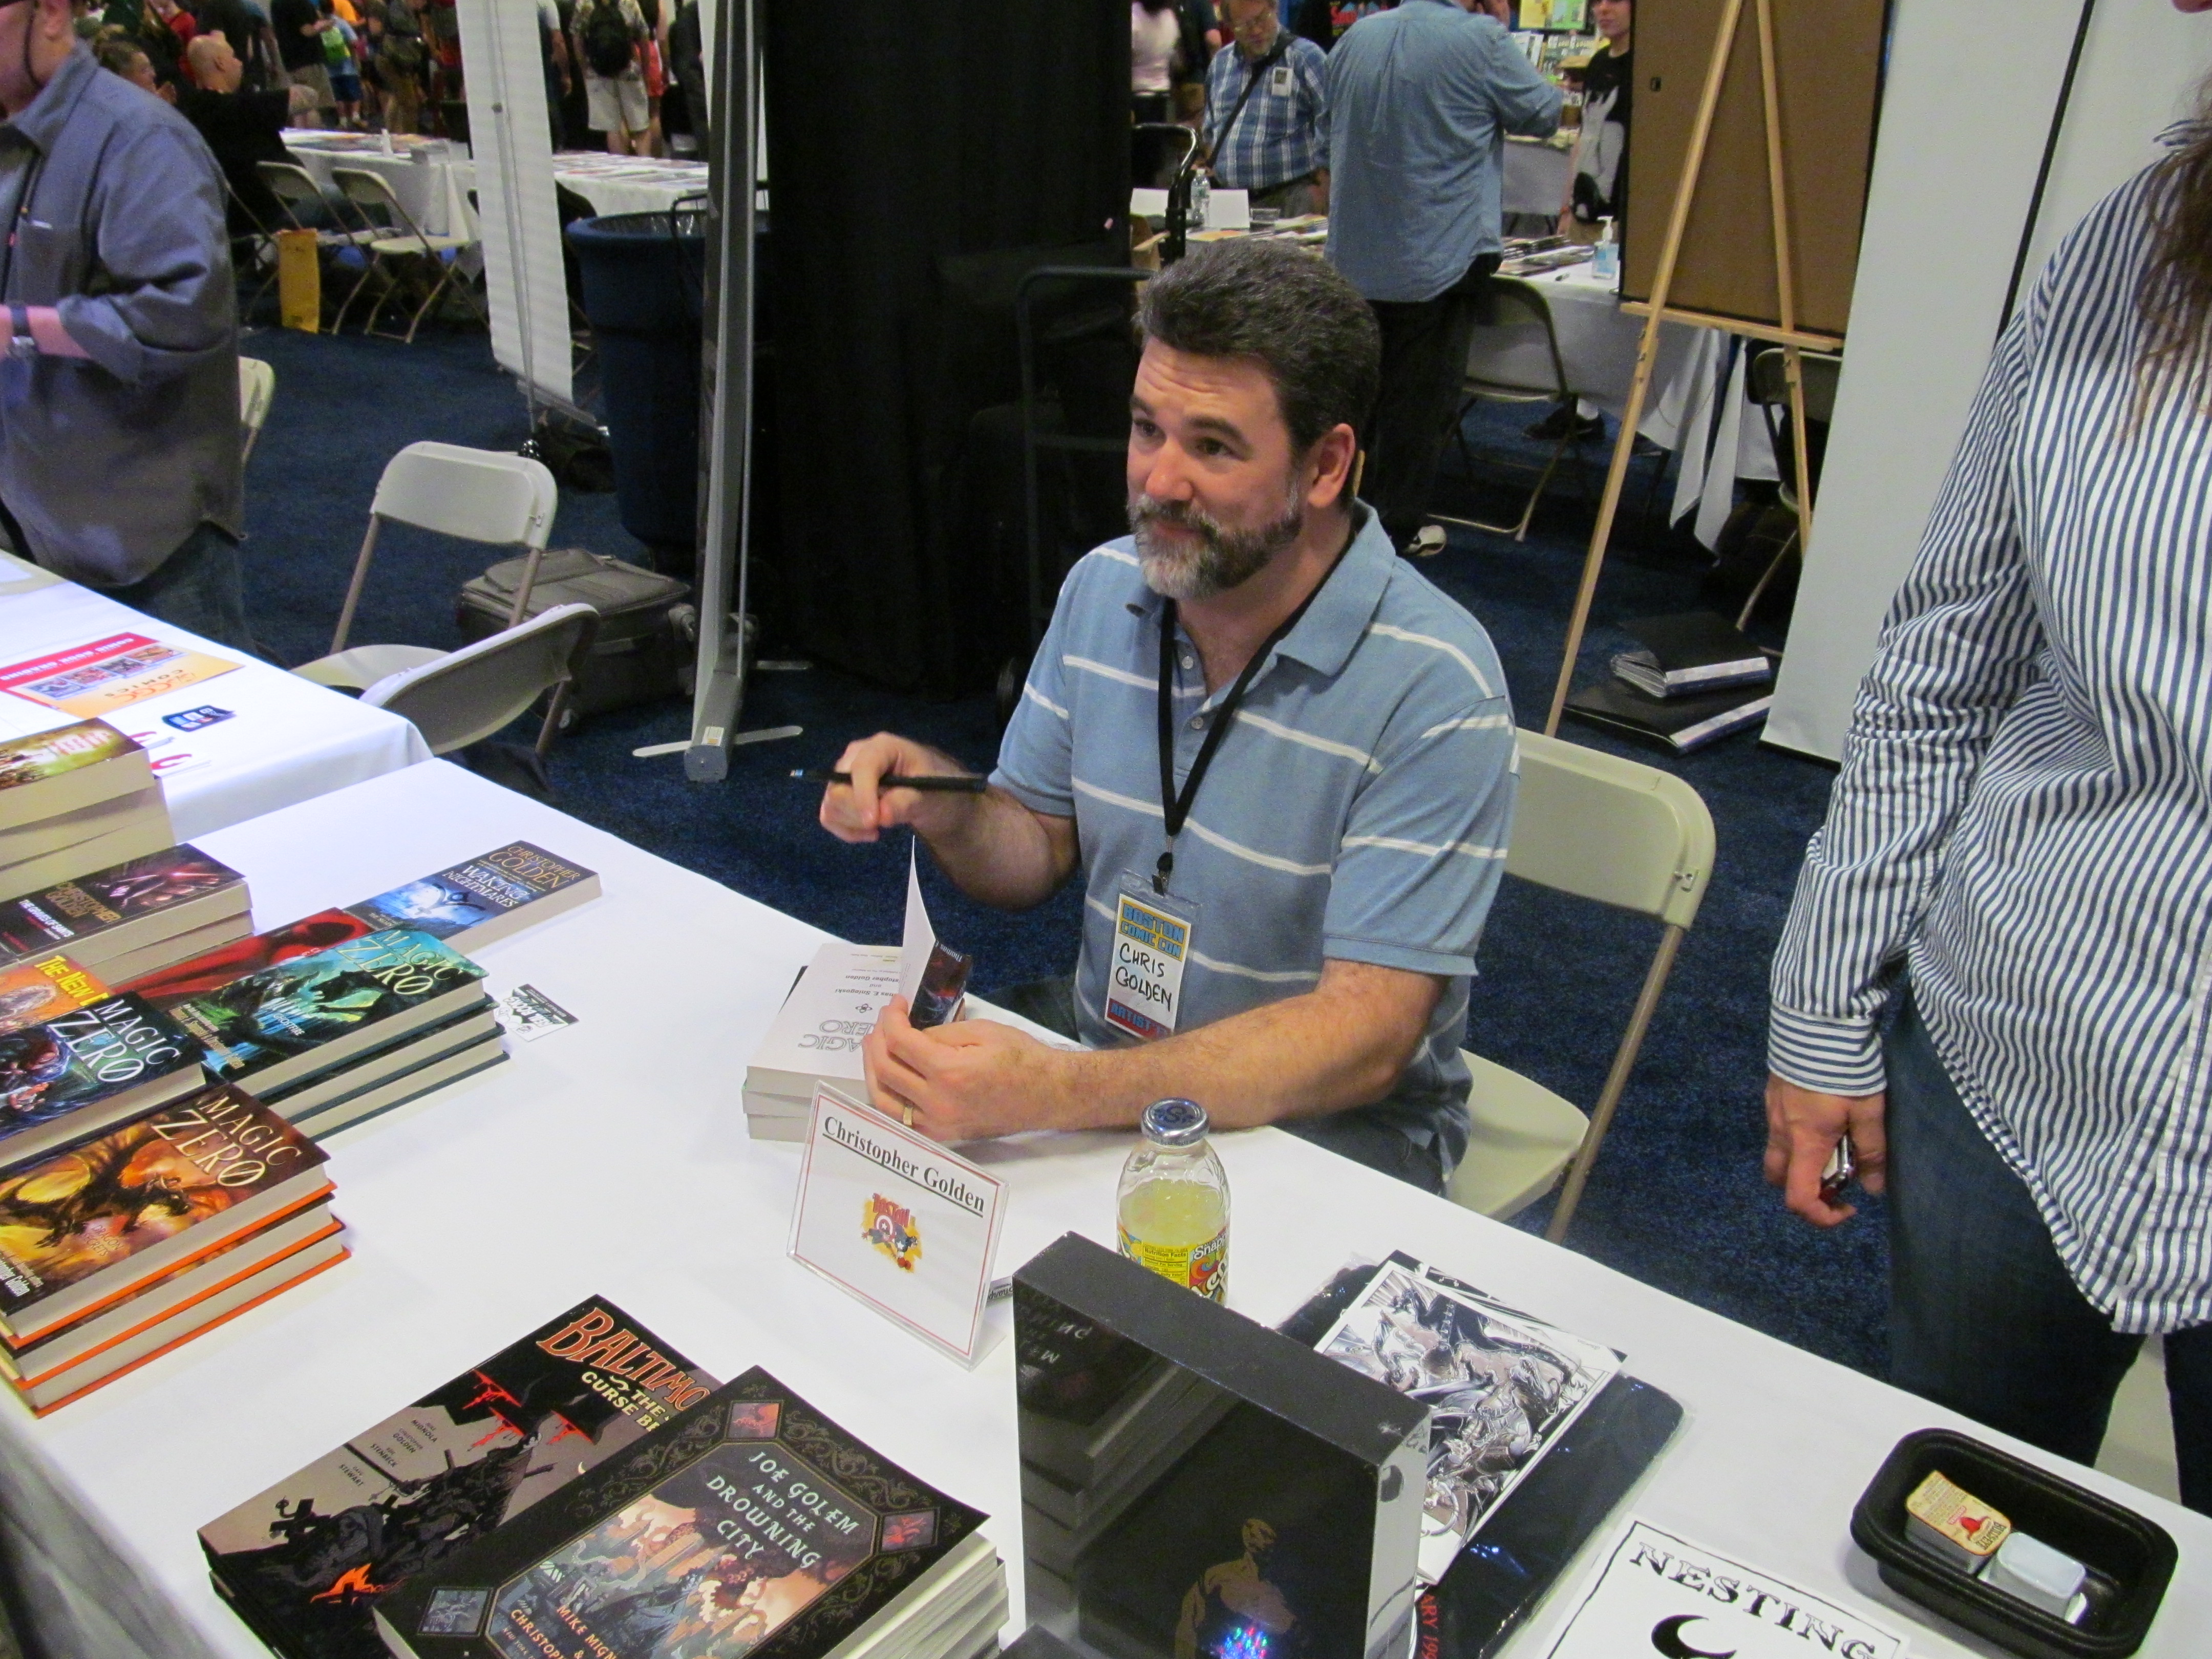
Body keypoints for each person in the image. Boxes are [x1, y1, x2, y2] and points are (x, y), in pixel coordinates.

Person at [1765, 0, 2212, 1518]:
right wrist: (1824, 1002)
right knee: (1961, 1537)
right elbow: (1946, 659)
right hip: (2016, 1052)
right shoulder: (2129, 251)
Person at [818, 240, 1516, 1195]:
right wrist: (944, 803)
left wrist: (1059, 1091)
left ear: (1326, 466)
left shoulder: (1436, 684)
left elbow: (1364, 1040)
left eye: (1213, 447)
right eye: (1148, 429)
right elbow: (1032, 849)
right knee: (870, 1189)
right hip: (1112, 1057)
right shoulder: (1106, 587)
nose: (1160, 481)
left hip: (1328, 1129)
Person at [0, 0, 254, 653]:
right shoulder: (15, 133)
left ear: (49, 14)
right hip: (30, 509)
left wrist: (20, 328)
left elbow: (185, 315)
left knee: (194, 718)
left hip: (140, 539)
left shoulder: (138, 137)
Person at [1324, 0, 1559, 556]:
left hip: (1356, 253)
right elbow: (1544, 112)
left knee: (1356, 400)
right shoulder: (1483, 40)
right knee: (1418, 407)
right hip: (1438, 255)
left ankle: (1333, 521)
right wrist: (1499, 24)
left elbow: (1324, 127)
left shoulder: (1355, 40)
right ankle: (1394, 532)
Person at [176, 31, 317, 230]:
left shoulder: (189, 112)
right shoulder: (243, 107)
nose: (240, 63)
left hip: (224, 214)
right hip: (271, 211)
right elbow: (309, 96)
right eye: (233, 57)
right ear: (220, 63)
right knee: (358, 201)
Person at [1201, 0, 1328, 218]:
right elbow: (1210, 130)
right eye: (1244, 25)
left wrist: (1325, 190)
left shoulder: (1305, 57)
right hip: (1232, 205)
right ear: (1230, 26)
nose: (1256, 31)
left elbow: (1336, 126)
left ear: (1274, 9)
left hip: (1292, 200)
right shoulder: (1220, 64)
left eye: (1261, 19)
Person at [572, 0, 646, 155]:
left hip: (598, 71)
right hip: (628, 69)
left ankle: (619, 164)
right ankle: (644, 162)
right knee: (640, 126)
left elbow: (577, 38)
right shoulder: (629, 2)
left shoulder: (584, 4)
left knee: (613, 127)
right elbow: (643, 34)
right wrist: (643, 68)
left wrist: (585, 68)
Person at [268, 0, 329, 124]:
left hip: (291, 61)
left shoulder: (276, 4)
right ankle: (315, 134)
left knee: (300, 107)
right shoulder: (299, 3)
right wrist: (324, 24)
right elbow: (307, 30)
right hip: (309, 59)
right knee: (313, 104)